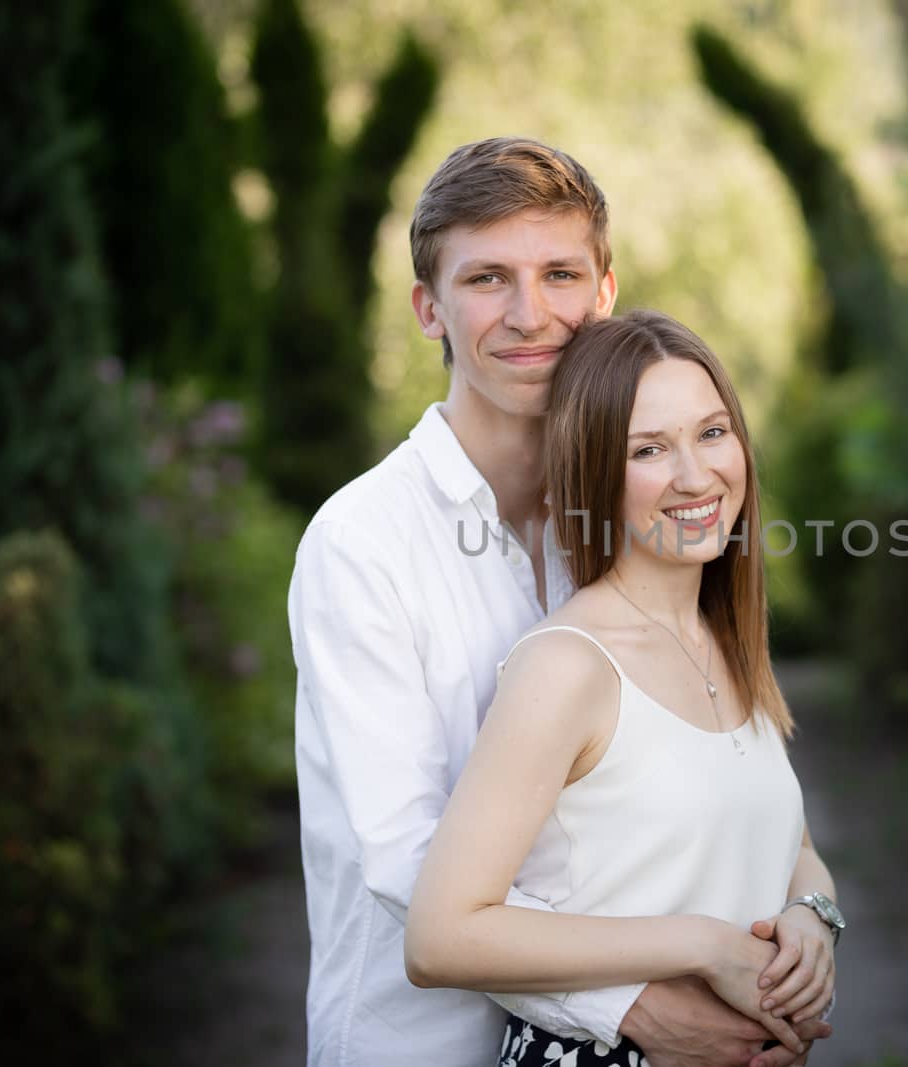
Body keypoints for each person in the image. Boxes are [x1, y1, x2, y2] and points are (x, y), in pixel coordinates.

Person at [288, 137, 835, 1067]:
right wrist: (630, 1002)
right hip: (419, 1045)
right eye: (488, 279)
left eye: (560, 274)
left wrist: (808, 913)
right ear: (430, 309)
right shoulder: (362, 543)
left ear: (605, 293)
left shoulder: (636, 522)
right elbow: (407, 868)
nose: (530, 314)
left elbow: (722, 791)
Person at [404, 309, 844, 1067]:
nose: (696, 475)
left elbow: (786, 838)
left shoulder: (723, 638)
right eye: (650, 449)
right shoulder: (568, 666)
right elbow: (441, 934)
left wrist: (811, 916)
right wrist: (704, 945)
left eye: (712, 432)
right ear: (598, 471)